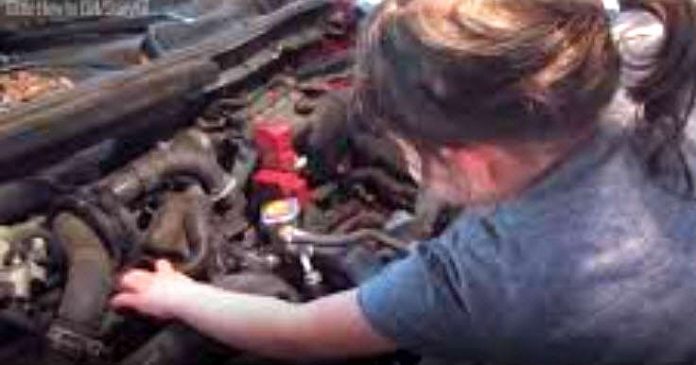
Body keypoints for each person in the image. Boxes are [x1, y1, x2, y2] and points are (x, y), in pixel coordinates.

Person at [111, 0, 696, 363]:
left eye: (408, 150)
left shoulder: (480, 279)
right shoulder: (644, 53)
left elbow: (297, 333)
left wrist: (179, 296)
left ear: (470, 163)